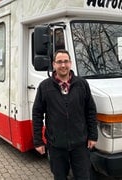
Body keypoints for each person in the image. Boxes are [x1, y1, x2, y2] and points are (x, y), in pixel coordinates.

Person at [32, 49, 98, 180]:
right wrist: (38, 141)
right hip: (56, 145)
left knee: (84, 177)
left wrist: (93, 136)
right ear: (54, 64)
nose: (63, 65)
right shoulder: (45, 87)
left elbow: (90, 111)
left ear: (70, 63)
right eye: (59, 62)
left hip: (80, 144)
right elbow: (37, 114)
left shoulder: (82, 84)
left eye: (66, 61)